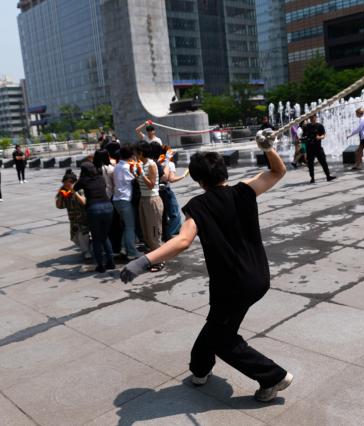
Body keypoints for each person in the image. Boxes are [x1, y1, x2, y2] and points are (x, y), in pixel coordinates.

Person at [120, 136, 292, 403]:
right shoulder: (244, 190)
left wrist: (144, 261)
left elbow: (183, 240)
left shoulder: (199, 206)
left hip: (232, 285)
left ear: (199, 181)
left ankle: (272, 376)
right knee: (217, 326)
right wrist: (268, 149)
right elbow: (278, 171)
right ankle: (200, 370)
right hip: (258, 277)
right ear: (224, 172)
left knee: (223, 340)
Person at [75, 162, 115, 272]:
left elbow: (75, 187)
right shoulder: (100, 178)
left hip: (94, 209)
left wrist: (80, 178)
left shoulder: (83, 180)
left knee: (96, 239)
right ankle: (111, 262)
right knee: (105, 236)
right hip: (108, 207)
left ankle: (100, 265)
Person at [136, 141, 164, 271]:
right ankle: (153, 258)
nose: (135, 155)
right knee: (147, 233)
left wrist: (140, 173)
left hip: (152, 199)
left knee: (154, 233)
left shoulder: (151, 164)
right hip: (143, 199)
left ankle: (159, 261)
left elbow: (151, 184)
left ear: (141, 152)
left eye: (137, 152)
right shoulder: (142, 164)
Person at [113, 146, 142, 260]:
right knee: (130, 227)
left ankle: (124, 247)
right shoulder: (127, 167)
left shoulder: (117, 166)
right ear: (131, 155)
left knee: (126, 226)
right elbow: (137, 179)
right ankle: (132, 252)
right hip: (126, 200)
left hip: (117, 200)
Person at [56, 169, 91, 260]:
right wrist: (60, 195)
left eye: (68, 183)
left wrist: (74, 192)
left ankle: (87, 252)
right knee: (74, 238)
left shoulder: (80, 190)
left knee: (83, 235)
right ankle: (87, 248)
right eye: (64, 183)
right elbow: (59, 206)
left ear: (73, 182)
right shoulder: (64, 191)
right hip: (73, 219)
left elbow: (83, 202)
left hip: (83, 218)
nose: (66, 185)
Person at [158, 145, 187, 240]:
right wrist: (183, 176)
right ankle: (168, 233)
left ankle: (169, 231)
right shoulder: (169, 164)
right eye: (170, 152)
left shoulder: (156, 162)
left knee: (163, 214)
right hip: (166, 190)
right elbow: (171, 179)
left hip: (156, 191)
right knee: (175, 214)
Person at [302, 114, 336, 184]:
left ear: (315, 117)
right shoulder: (307, 126)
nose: (311, 118)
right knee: (310, 164)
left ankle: (328, 176)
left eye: (312, 117)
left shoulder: (320, 126)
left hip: (318, 147)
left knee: (323, 162)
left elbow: (323, 135)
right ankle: (312, 178)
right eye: (310, 117)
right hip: (309, 147)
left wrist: (319, 137)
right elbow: (304, 135)